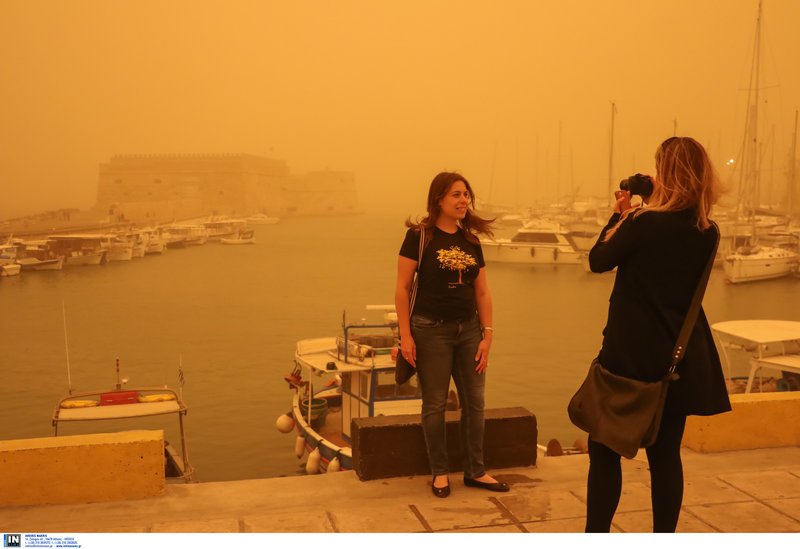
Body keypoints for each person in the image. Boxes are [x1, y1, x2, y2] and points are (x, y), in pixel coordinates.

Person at [585, 136, 732, 532]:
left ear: (666, 172)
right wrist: (652, 201)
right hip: (677, 358)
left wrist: (620, 215)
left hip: (629, 355)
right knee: (665, 457)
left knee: (604, 450)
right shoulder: (707, 231)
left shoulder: (642, 223)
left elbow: (598, 260)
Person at [395, 171, 509, 498]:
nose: (463, 200)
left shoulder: (471, 241)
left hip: (469, 330)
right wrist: (406, 336)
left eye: (466, 194)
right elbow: (402, 288)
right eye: (456, 194)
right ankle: (440, 473)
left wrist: (488, 335)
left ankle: (476, 471)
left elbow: (482, 292)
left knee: (475, 402)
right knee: (434, 404)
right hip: (430, 331)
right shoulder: (419, 237)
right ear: (439, 200)